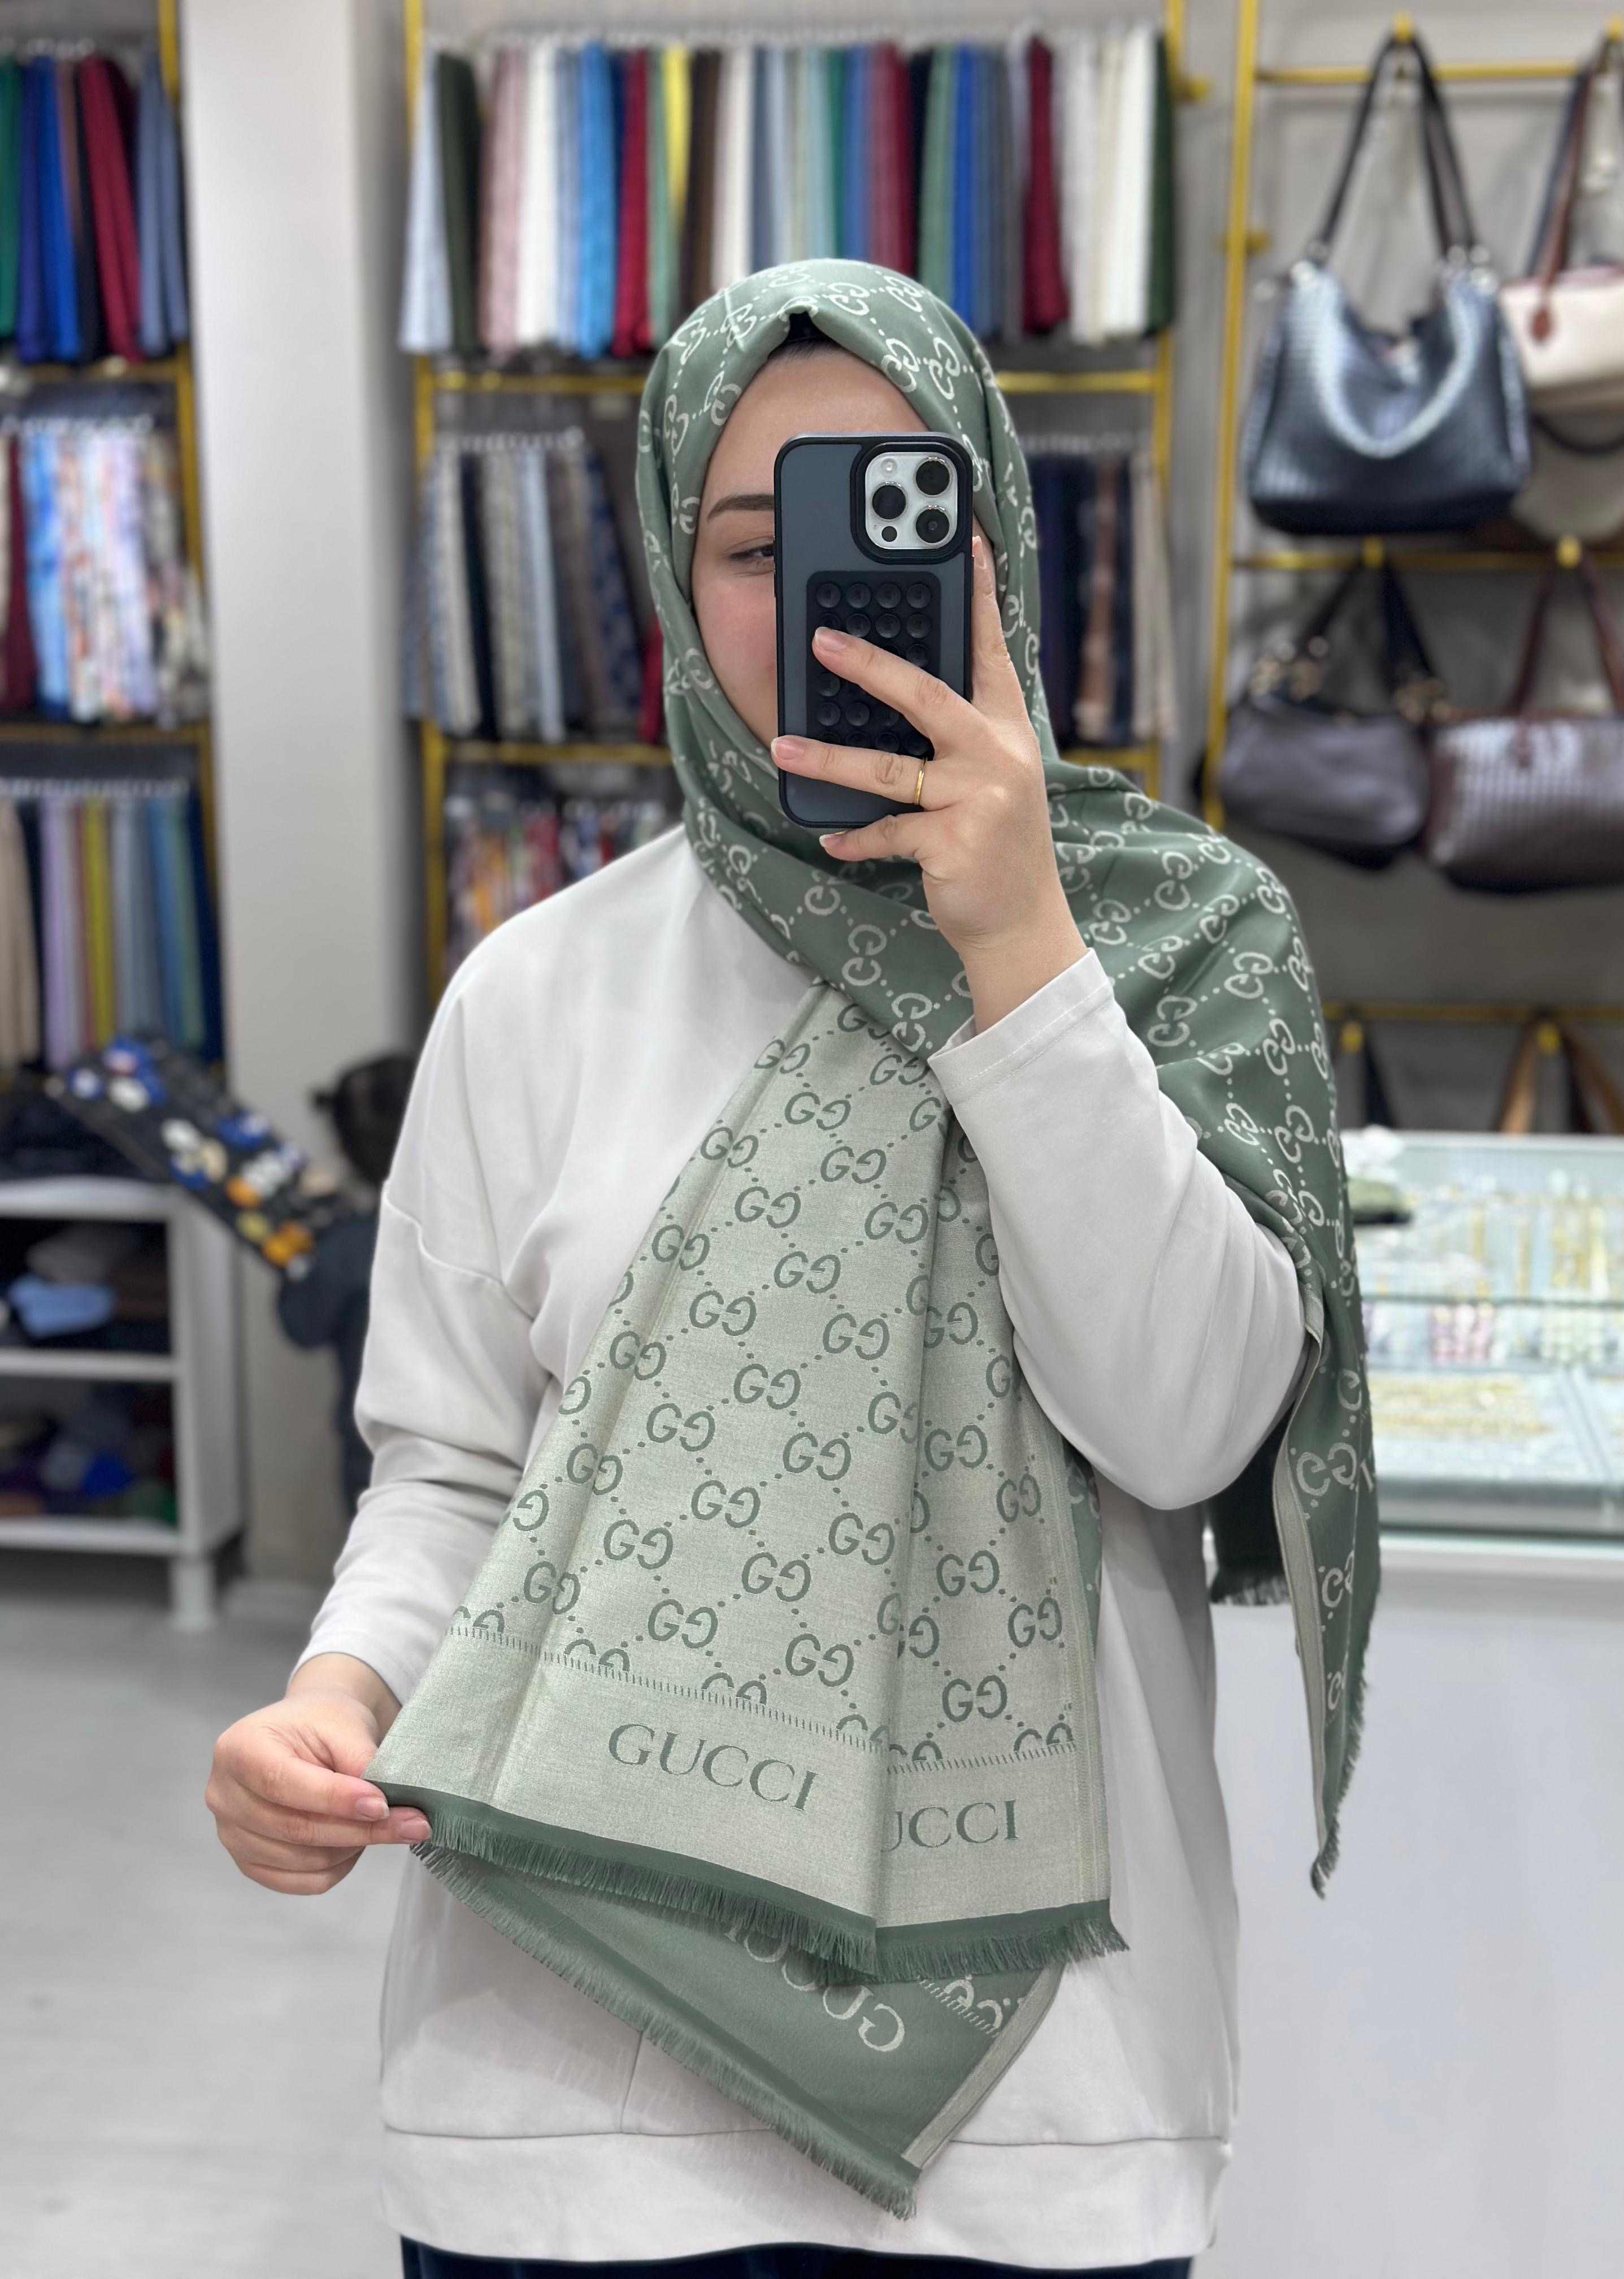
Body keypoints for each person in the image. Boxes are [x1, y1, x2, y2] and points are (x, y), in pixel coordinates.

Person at [206, 262, 1375, 2278]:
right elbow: (453, 1469)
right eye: (755, 545)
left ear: (996, 551)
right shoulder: (539, 991)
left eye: (896, 523)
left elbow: (1184, 1428)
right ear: (677, 579)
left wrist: (1021, 957)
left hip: (1040, 2110)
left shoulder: (1182, 949)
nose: (828, 600)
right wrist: (329, 1697)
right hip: (564, 2089)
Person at [275, 1052, 417, 1517]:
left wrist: (297, 1252)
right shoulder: (495, 1231)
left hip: (378, 1462)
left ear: (346, 1149)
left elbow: (302, 1325)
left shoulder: (347, 1246)